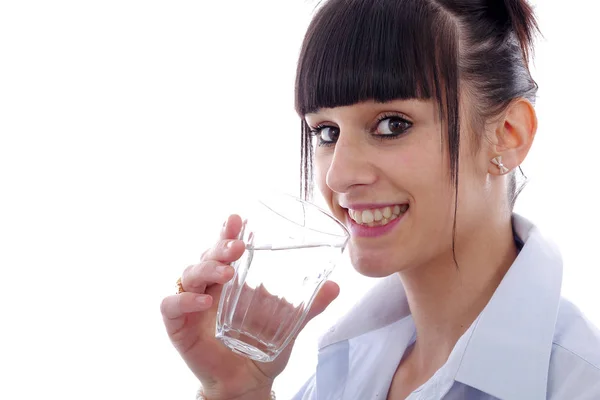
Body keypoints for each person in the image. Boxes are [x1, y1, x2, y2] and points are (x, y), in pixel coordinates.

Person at [160, 0, 600, 398]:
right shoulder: (345, 370)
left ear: (507, 136)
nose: (340, 175)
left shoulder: (578, 382)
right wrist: (238, 391)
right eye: (326, 132)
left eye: (392, 125)